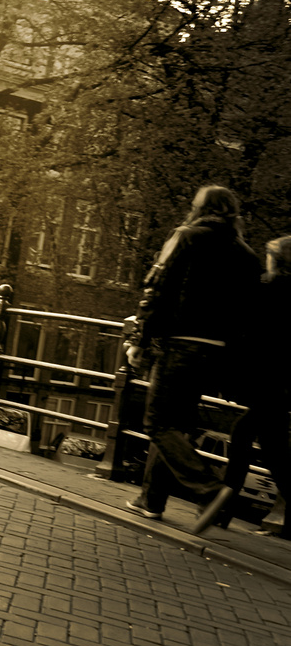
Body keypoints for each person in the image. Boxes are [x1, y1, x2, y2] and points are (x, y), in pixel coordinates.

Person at [125, 185, 262, 522]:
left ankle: (210, 490)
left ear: (200, 209)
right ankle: (151, 499)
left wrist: (139, 340)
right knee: (177, 425)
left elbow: (157, 288)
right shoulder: (247, 255)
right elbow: (250, 313)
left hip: (182, 344)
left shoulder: (185, 236)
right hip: (217, 353)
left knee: (157, 422)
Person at [192, 234, 291, 537]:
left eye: (269, 255)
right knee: (268, 444)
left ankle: (222, 505)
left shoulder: (269, 287)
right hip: (281, 380)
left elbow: (246, 326)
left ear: (277, 259)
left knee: (258, 439)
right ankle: (224, 506)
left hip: (268, 378)